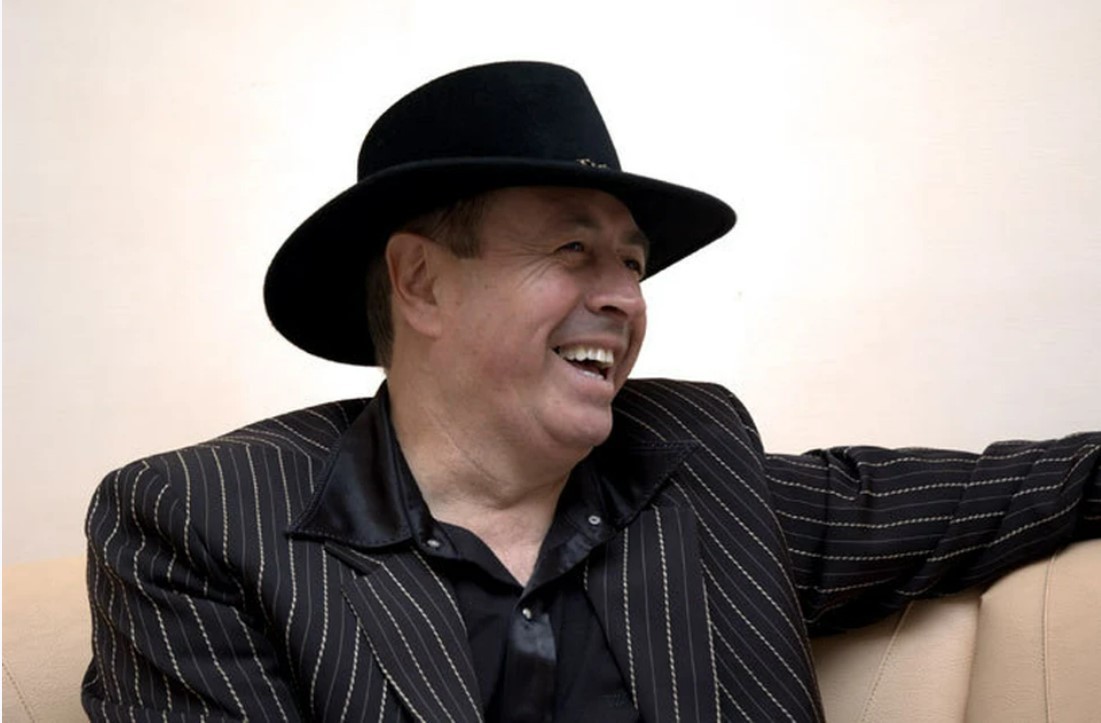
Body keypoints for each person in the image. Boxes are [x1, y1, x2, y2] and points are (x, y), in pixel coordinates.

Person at [82, 61, 1100, 722]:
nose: (624, 298)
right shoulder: (199, 528)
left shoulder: (698, 466)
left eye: (632, 263)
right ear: (421, 281)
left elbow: (1008, 494)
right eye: (573, 250)